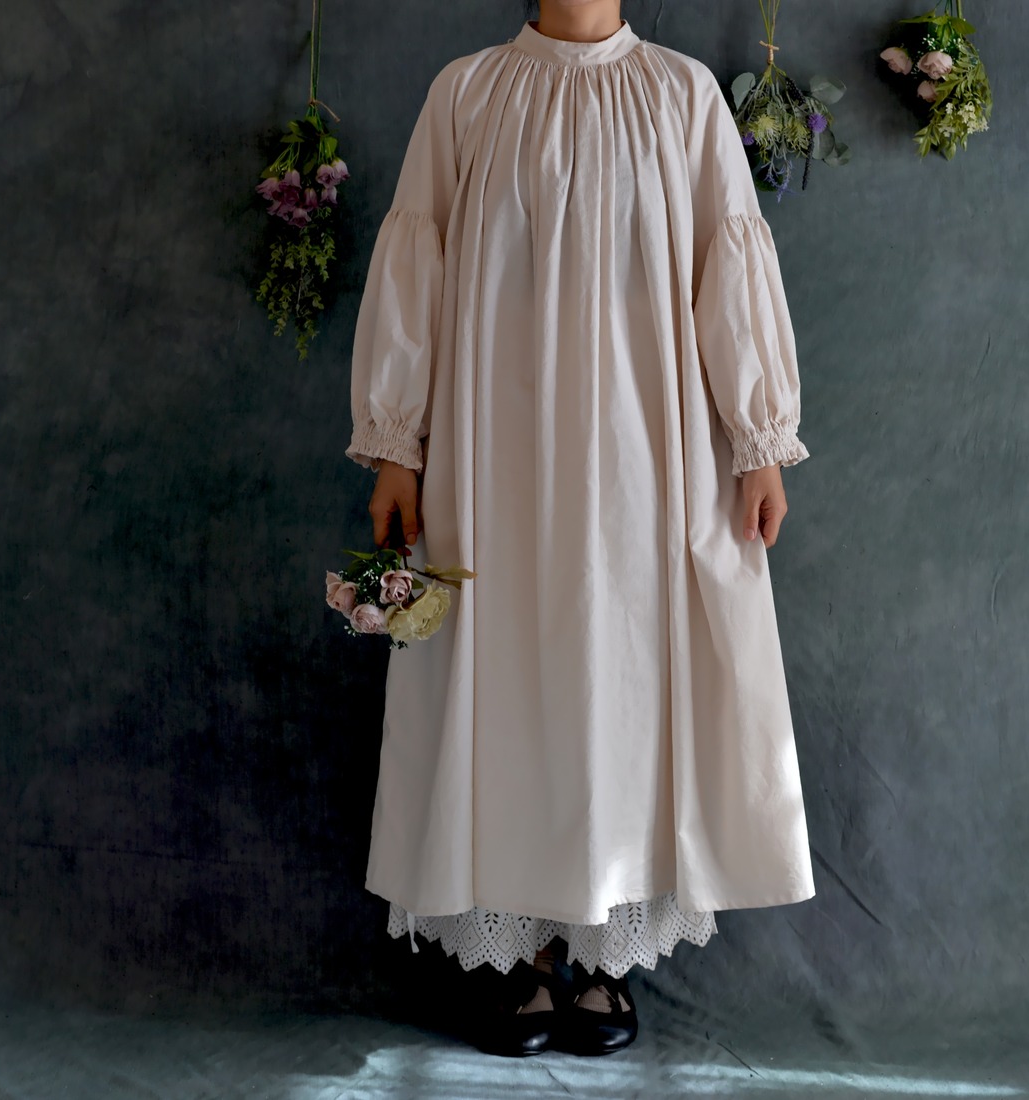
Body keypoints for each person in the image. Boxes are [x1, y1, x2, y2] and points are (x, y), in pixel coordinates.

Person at [344, 0, 816, 1057]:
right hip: (495, 453)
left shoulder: (681, 95)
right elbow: (417, 265)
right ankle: (519, 954)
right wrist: (395, 443)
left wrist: (757, 438)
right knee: (509, 678)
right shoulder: (466, 93)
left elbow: (725, 262)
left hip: (646, 455)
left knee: (622, 680)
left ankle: (600, 949)